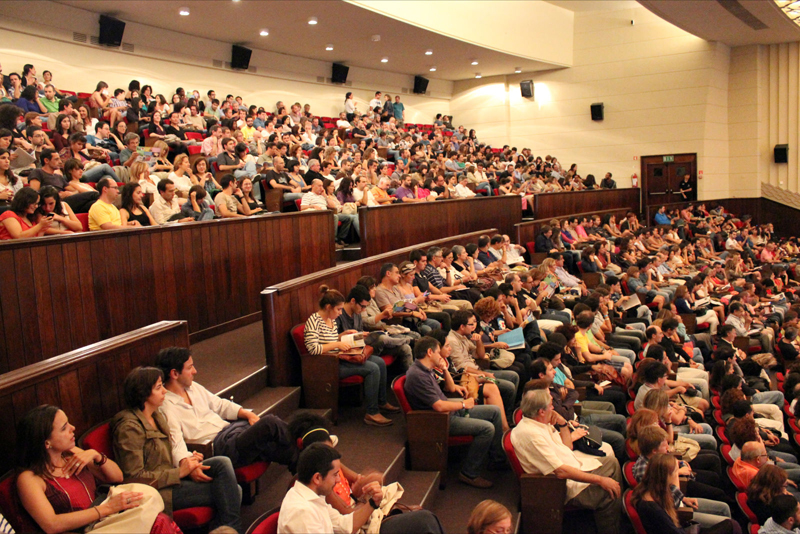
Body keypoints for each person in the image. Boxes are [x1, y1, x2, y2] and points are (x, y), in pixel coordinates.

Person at [112, 367, 242, 533]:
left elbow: (170, 451)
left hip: (171, 478)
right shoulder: (129, 429)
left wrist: (189, 459)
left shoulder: (157, 416)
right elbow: (134, 477)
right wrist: (179, 472)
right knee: (234, 491)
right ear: (144, 394)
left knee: (222, 463)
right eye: (159, 387)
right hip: (158, 491)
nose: (165, 391)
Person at [14, 405, 179, 534]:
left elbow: (117, 476)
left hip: (107, 518)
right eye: (64, 428)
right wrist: (107, 509)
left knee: (156, 517)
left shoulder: (71, 454)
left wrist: (96, 456)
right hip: (86, 528)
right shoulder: (30, 478)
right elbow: (51, 524)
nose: (72, 428)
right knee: (157, 523)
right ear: (46, 443)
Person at [156, 346, 299, 472]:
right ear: (174, 374)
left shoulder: (193, 387)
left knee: (270, 443)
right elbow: (176, 443)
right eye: (189, 367)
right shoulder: (166, 407)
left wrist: (246, 414)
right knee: (269, 423)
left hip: (231, 431)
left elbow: (220, 405)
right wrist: (188, 464)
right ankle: (307, 452)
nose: (195, 371)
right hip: (220, 447)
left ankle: (303, 462)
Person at [510, 389, 622, 533]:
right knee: (608, 491)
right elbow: (561, 472)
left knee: (611, 462)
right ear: (541, 411)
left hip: (572, 466)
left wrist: (562, 423)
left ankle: (617, 511)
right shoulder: (531, 434)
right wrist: (600, 480)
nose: (553, 408)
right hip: (560, 486)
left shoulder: (539, 422)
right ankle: (612, 526)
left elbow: (567, 446)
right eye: (551, 405)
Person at [404, 336, 507, 489]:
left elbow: (449, 391)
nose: (441, 356)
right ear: (430, 352)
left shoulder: (426, 369)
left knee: (494, 411)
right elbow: (438, 406)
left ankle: (497, 459)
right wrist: (463, 404)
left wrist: (445, 369)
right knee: (487, 428)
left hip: (448, 412)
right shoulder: (418, 376)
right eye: (439, 352)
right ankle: (469, 473)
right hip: (438, 420)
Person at [277, 443, 445, 534]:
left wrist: (373, 503)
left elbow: (345, 526)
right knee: (423, 523)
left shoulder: (312, 496)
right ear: (317, 478)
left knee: (424, 519)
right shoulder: (301, 513)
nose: (338, 480)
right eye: (335, 475)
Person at [304, 285, 398, 427]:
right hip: (329, 365)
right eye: (338, 309)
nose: (340, 312)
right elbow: (313, 349)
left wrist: (342, 336)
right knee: (372, 368)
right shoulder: (314, 321)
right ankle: (372, 413)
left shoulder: (330, 320)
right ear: (328, 307)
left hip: (338, 358)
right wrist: (337, 344)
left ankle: (381, 401)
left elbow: (332, 339)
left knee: (379, 362)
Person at [631, 453, 741, 534]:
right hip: (682, 529)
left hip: (682, 527)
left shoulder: (649, 488)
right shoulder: (652, 508)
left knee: (730, 522)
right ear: (666, 476)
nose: (678, 474)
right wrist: (675, 483)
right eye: (675, 471)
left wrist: (682, 498)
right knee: (732, 526)